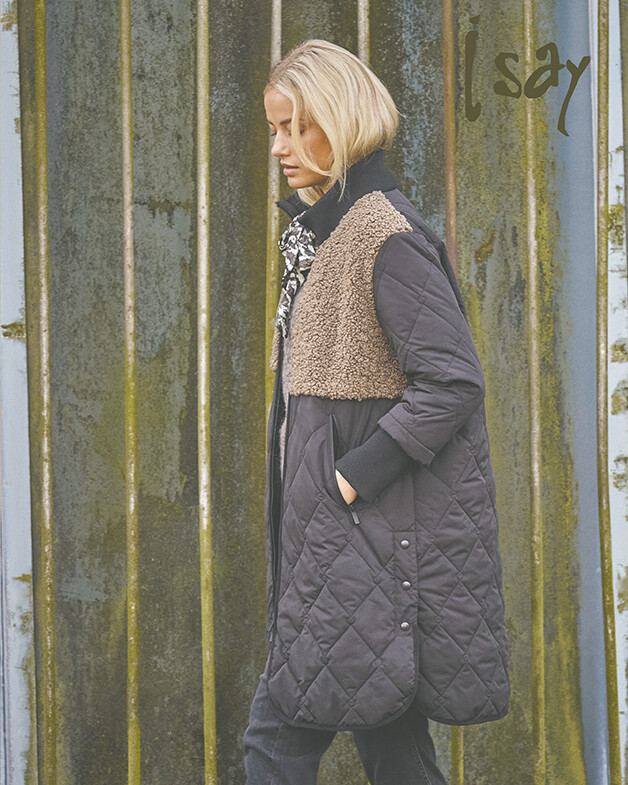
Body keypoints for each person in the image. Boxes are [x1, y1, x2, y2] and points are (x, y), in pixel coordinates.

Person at [244, 39, 509, 785]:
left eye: (297, 127)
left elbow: (452, 382)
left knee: (274, 742)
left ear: (342, 121)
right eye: (275, 129)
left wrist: (350, 477)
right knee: (394, 752)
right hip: (342, 548)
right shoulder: (321, 235)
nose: (280, 148)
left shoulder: (382, 237)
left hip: (361, 545)